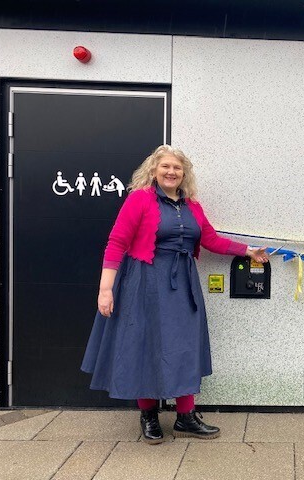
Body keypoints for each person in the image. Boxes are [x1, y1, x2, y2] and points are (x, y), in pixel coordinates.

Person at [81, 145, 268, 444]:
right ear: (154, 170)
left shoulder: (192, 205)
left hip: (183, 284)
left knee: (185, 346)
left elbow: (210, 239)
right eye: (165, 166)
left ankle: (185, 417)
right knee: (145, 344)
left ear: (184, 173)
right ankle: (149, 415)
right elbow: (116, 243)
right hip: (144, 282)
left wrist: (247, 251)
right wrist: (105, 290)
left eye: (177, 168)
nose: (171, 172)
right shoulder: (139, 199)